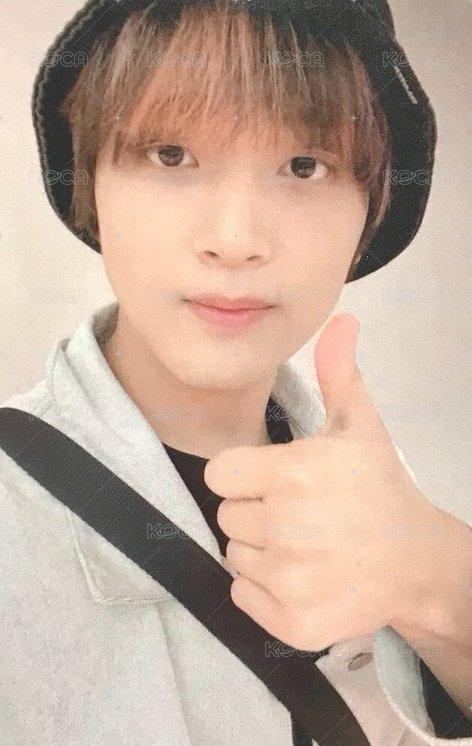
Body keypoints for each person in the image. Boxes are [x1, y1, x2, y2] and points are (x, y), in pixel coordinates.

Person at [0, 0, 471, 744]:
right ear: (89, 183)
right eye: (171, 155)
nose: (235, 239)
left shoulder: (369, 476)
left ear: (368, 215)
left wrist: (440, 579)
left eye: (304, 166)